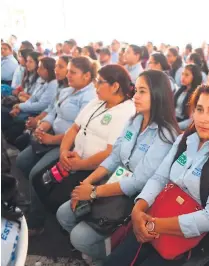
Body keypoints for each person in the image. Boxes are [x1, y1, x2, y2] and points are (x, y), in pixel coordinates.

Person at [103, 80, 209, 266]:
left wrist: (154, 224)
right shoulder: (187, 139)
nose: (203, 118)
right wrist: (138, 209)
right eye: (199, 109)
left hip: (189, 241)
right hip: (157, 216)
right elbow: (160, 177)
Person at [56, 70, 180, 264]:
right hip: (111, 184)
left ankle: (105, 254)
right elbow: (114, 157)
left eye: (142, 91)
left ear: (158, 94)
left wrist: (94, 192)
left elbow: (138, 181)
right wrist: (85, 184)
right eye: (136, 90)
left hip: (135, 199)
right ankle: (96, 250)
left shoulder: (166, 135)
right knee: (64, 213)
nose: (135, 96)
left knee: (79, 237)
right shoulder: (134, 120)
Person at [27, 64, 136, 235]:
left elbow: (110, 152)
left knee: (56, 196)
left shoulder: (126, 111)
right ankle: (47, 221)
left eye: (100, 82)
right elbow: (74, 129)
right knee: (39, 179)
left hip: (93, 170)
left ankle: (59, 231)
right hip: (73, 158)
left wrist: (80, 165)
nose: (95, 86)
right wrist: (63, 152)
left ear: (115, 86)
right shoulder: (97, 101)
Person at [15, 56, 98, 235]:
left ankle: (37, 222)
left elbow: (79, 131)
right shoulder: (68, 91)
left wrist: (51, 140)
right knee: (22, 161)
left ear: (86, 76)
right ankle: (40, 200)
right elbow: (53, 112)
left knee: (36, 174)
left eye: (73, 72)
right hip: (50, 137)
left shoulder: (90, 98)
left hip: (67, 146)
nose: (68, 75)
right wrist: (43, 124)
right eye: (67, 71)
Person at [2, 57, 58, 138]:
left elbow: (42, 105)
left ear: (48, 70)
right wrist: (19, 107)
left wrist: (20, 106)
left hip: (37, 113)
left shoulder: (53, 84)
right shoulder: (44, 81)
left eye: (40, 68)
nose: (38, 70)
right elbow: (33, 98)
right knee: (5, 112)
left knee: (7, 115)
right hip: (30, 109)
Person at [174, 64, 202, 130]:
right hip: (174, 120)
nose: (183, 77)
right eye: (182, 74)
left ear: (194, 77)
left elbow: (191, 120)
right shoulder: (181, 90)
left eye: (186, 75)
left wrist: (174, 126)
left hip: (181, 125)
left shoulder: (196, 94)